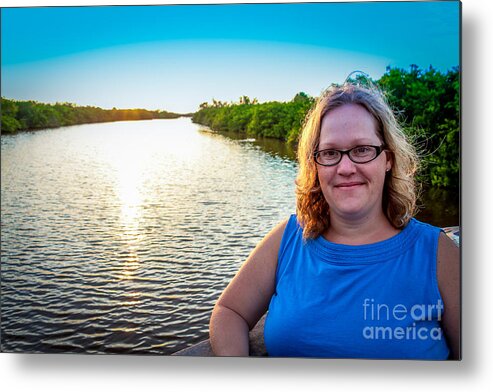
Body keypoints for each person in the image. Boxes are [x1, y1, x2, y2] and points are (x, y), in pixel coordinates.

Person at [209, 82, 460, 359]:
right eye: (329, 153)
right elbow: (229, 312)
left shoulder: (438, 254)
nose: (345, 168)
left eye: (362, 149)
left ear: (387, 159)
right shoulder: (289, 238)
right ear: (315, 165)